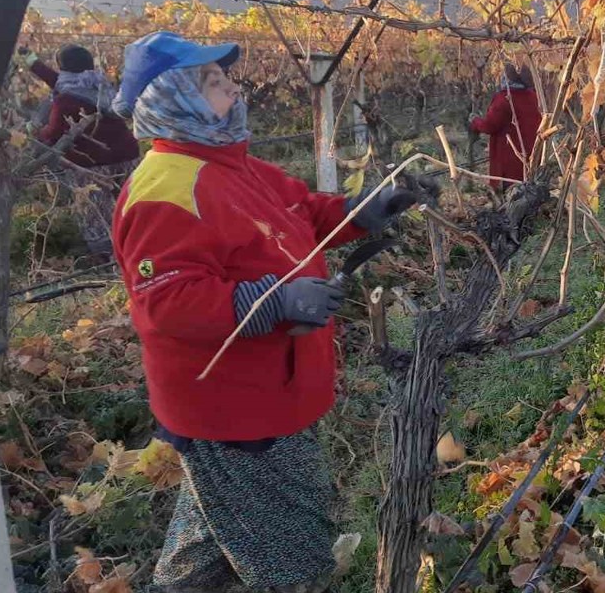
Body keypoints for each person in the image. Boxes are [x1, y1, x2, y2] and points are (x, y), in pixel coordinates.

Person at [109, 31, 416, 593]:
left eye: (227, 77)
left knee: (216, 519)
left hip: (267, 389)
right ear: (172, 96)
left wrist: (363, 211)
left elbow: (301, 211)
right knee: (288, 549)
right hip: (235, 403)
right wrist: (272, 300)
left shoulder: (232, 163)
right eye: (213, 81)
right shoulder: (165, 188)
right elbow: (166, 303)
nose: (233, 88)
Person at [18, 44, 140, 259]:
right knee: (135, 202)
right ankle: (144, 243)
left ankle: (108, 257)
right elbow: (59, 81)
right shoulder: (100, 83)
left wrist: (34, 131)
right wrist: (32, 62)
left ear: (64, 69)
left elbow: (54, 133)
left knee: (95, 211)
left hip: (91, 164)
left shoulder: (66, 100)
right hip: (126, 154)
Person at [470, 62, 542, 188]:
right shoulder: (533, 96)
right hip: (532, 154)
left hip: (509, 158)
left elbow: (489, 126)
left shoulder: (504, 99)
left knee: (511, 194)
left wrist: (475, 121)